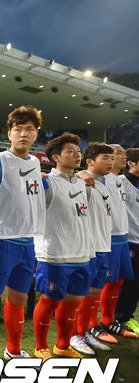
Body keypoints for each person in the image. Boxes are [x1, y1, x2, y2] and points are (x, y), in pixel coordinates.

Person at [0, 106, 45, 362]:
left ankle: (13, 350)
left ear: (36, 134)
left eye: (29, 129)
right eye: (18, 129)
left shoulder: (35, 162)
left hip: (27, 243)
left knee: (19, 299)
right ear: (9, 134)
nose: (23, 134)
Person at [33, 133, 92, 360]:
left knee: (72, 304)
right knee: (49, 302)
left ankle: (63, 345)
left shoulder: (84, 183)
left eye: (78, 151)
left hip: (81, 254)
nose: (77, 155)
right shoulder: (46, 183)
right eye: (70, 151)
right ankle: (40, 347)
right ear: (56, 157)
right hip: (55, 255)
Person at [70, 143, 117, 352]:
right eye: (105, 158)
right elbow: (65, 182)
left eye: (111, 158)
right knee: (79, 294)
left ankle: (84, 332)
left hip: (104, 246)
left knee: (94, 293)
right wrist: (79, 174)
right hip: (87, 248)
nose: (110, 162)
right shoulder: (82, 182)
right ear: (89, 161)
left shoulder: (103, 184)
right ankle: (73, 336)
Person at [97, 145, 137, 338]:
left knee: (118, 281)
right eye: (118, 153)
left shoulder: (117, 180)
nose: (122, 156)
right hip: (108, 238)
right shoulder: (100, 179)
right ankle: (92, 326)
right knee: (101, 283)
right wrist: (82, 174)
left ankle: (109, 321)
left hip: (122, 238)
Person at [116, 148, 139, 333]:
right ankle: (121, 317)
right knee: (128, 282)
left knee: (136, 282)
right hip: (128, 239)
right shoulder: (120, 182)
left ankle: (128, 316)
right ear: (131, 163)